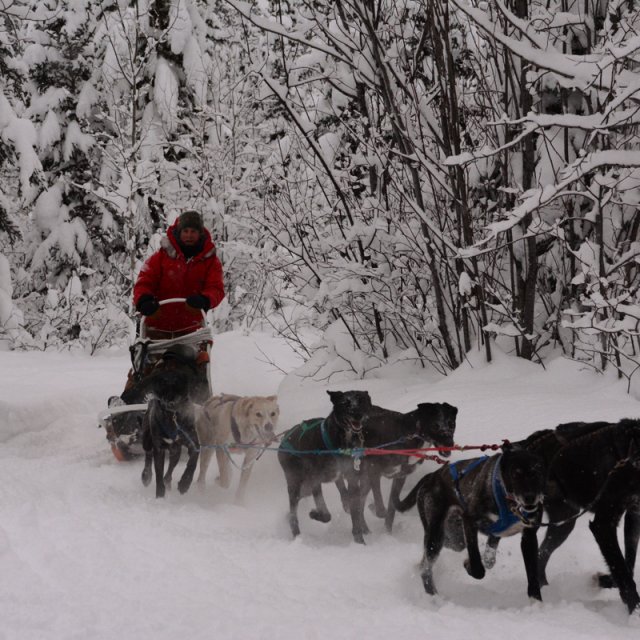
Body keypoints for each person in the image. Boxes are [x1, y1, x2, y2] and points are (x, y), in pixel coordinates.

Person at [133, 209, 225, 339]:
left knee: (198, 358)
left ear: (200, 234)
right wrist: (144, 299)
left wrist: (205, 299)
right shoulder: (160, 258)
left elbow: (216, 288)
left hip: (192, 328)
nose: (189, 235)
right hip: (156, 325)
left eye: (193, 231)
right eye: (185, 231)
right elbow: (145, 281)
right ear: (179, 232)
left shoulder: (210, 262)